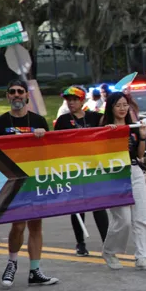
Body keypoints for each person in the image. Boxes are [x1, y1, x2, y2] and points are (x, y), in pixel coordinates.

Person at [0, 78, 58, 288]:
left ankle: (35, 271)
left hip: (35, 179)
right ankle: (12, 263)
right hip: (13, 181)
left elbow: (48, 151)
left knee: (36, 224)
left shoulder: (38, 120)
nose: (16, 95)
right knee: (18, 225)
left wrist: (42, 136)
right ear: (7, 96)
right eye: (12, 91)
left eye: (20, 91)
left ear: (27, 95)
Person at [99, 92, 146, 271]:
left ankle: (142, 256)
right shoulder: (104, 128)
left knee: (143, 215)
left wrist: (142, 136)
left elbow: (140, 155)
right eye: (118, 105)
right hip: (114, 175)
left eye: (125, 105)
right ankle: (109, 251)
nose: (122, 108)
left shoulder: (132, 126)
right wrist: (108, 135)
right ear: (111, 107)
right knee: (123, 219)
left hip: (134, 171)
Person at [54, 86, 108, 256]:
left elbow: (110, 125)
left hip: (93, 169)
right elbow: (55, 144)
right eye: (68, 100)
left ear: (82, 100)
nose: (71, 103)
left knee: (99, 206)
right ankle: (80, 243)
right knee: (77, 208)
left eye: (74, 99)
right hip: (73, 169)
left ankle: (107, 243)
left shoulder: (94, 117)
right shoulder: (62, 120)